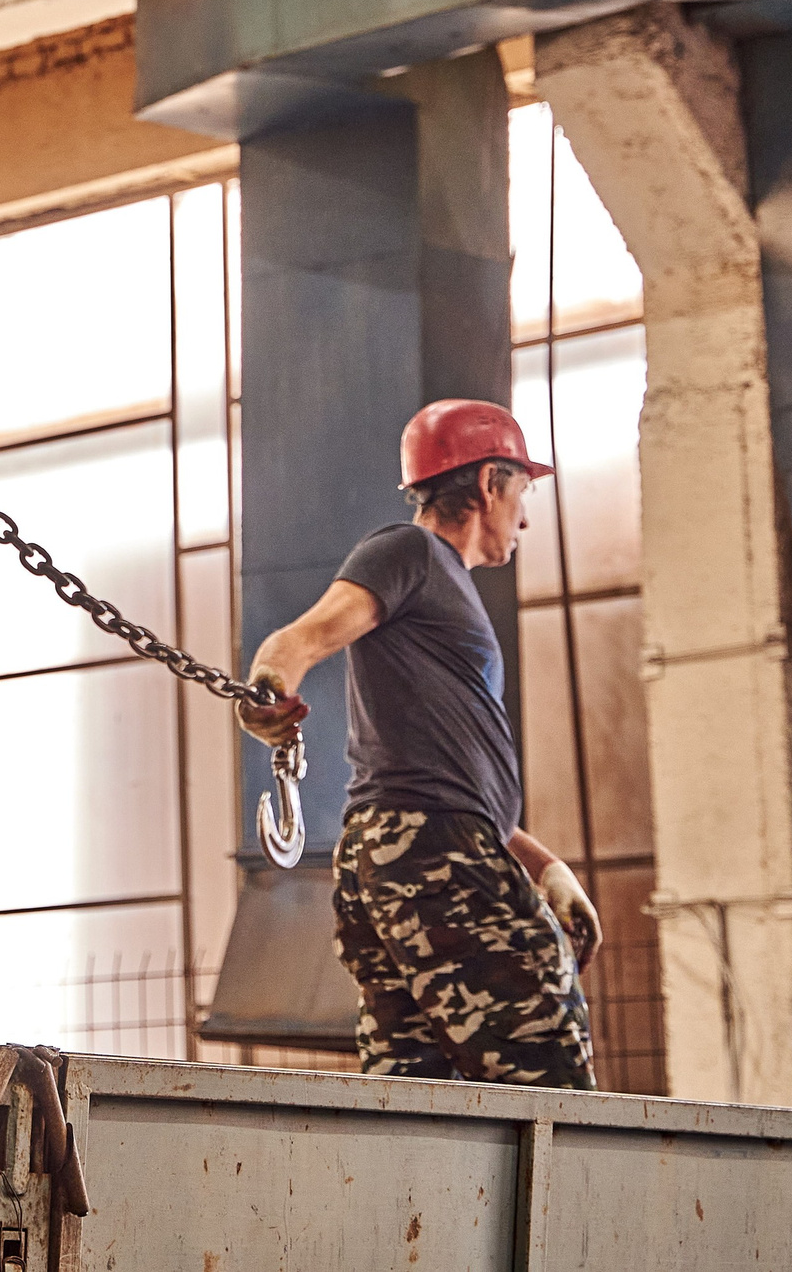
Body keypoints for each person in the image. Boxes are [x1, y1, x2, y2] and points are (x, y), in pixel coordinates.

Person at [237, 398, 602, 1088]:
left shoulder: (445, 589)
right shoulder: (410, 553)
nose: (524, 517)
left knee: (421, 1092)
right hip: (430, 851)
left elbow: (447, 772)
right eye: (521, 492)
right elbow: (304, 637)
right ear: (490, 483)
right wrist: (269, 689)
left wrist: (544, 864)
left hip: (406, 850)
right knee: (550, 1066)